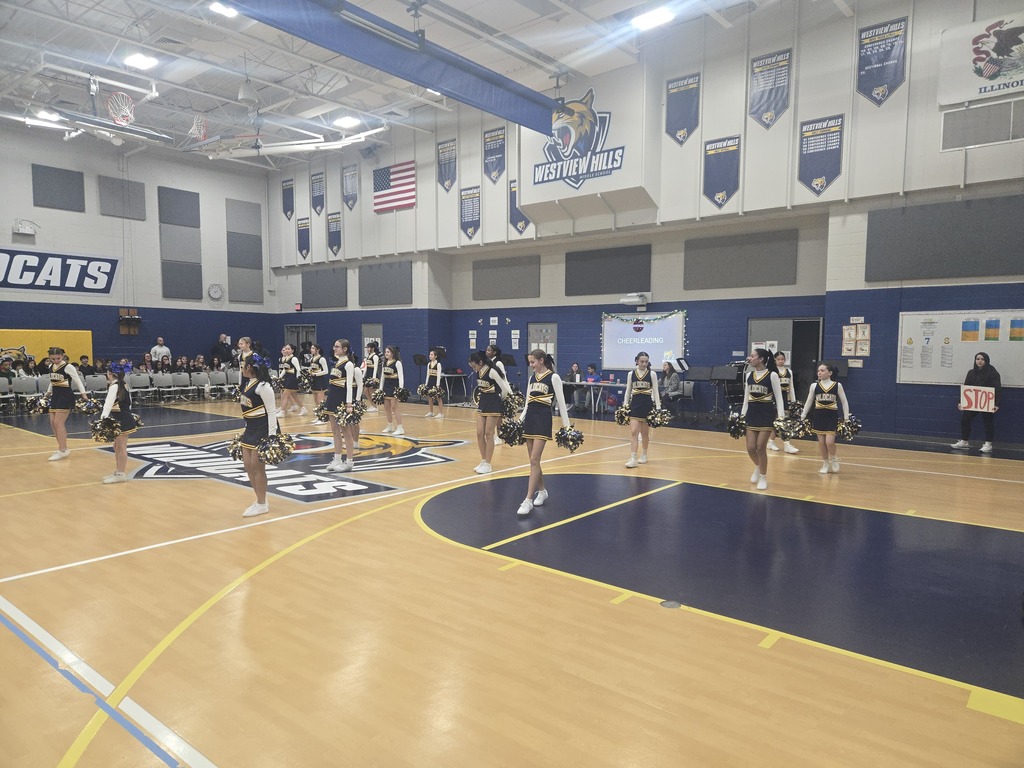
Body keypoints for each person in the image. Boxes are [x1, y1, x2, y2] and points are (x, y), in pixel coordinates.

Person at [515, 349, 571, 517]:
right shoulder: (532, 378)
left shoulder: (553, 377)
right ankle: (542, 491)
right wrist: (519, 421)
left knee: (533, 460)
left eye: (532, 362)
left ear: (541, 360)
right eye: (530, 362)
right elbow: (527, 403)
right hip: (530, 419)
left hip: (543, 420)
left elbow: (561, 404)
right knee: (534, 460)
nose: (530, 365)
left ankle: (528, 500)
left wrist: (567, 427)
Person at [238, 352, 279, 518]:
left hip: (262, 429)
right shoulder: (247, 384)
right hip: (250, 429)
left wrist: (271, 437)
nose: (241, 368)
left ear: (249, 367)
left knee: (257, 466)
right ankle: (260, 500)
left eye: (242, 366)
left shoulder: (264, 386)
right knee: (248, 465)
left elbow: (271, 412)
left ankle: (262, 504)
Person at [740, 348, 785, 491]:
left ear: (761, 359)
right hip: (752, 414)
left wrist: (781, 417)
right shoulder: (749, 375)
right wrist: (742, 415)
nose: (749, 358)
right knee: (750, 448)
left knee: (760, 447)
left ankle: (764, 477)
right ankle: (758, 467)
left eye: (752, 356)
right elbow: (746, 398)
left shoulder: (772, 375)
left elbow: (779, 397)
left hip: (766, 414)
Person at [801, 363, 850, 474]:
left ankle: (833, 458)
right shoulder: (814, 386)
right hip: (819, 415)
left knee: (829, 442)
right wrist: (803, 415)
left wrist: (846, 418)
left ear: (830, 373)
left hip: (831, 415)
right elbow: (809, 401)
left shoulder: (837, 385)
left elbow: (844, 402)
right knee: (821, 443)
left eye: (822, 370)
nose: (819, 372)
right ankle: (825, 463)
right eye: (819, 370)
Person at [468, 350, 512, 474]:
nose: (474, 369)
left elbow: (504, 388)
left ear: (481, 362)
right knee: (479, 433)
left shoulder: (492, 371)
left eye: (475, 366)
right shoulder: (479, 372)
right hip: (483, 402)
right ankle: (483, 460)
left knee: (489, 433)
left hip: (493, 403)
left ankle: (488, 463)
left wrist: (502, 402)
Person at [44, 346, 88, 461]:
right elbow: (52, 381)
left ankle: (63, 449)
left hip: (65, 396)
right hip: (55, 396)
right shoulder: (51, 366)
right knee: (53, 423)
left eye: (58, 358)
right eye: (53, 359)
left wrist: (83, 394)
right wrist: (48, 392)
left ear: (62, 356)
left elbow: (78, 380)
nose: (56, 361)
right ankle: (61, 448)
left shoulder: (68, 367)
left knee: (59, 423)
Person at [324, 339, 362, 473]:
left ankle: (350, 461)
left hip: (342, 400)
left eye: (337, 347)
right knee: (334, 431)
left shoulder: (349, 364)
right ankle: (337, 458)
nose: (334, 348)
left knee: (346, 432)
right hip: (332, 399)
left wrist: (349, 404)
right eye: (334, 346)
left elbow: (350, 387)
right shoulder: (336, 362)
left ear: (345, 349)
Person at [951, 352, 1001, 453]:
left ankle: (988, 444)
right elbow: (966, 388)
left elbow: (998, 389)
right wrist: (961, 402)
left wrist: (997, 404)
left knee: (988, 422)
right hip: (973, 403)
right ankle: (964, 442)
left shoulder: (993, 373)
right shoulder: (971, 373)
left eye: (982, 359)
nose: (979, 361)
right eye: (977, 359)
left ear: (986, 360)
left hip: (987, 402)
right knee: (965, 419)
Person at [99, 361, 138, 484]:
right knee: (116, 446)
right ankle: (118, 471)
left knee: (121, 447)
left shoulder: (114, 386)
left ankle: (121, 474)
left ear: (109, 374)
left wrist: (102, 419)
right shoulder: (123, 384)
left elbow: (108, 404)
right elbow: (130, 402)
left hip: (122, 419)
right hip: (121, 417)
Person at [623, 352, 661, 468]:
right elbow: (628, 390)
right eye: (642, 361)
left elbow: (655, 391)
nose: (644, 364)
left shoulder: (652, 374)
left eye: (646, 362)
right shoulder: (631, 374)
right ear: (637, 361)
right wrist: (625, 405)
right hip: (634, 403)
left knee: (645, 433)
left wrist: (658, 407)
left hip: (647, 404)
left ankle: (644, 454)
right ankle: (633, 458)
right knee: (634, 431)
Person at [767, 352, 800, 454]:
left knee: (783, 420)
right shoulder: (772, 372)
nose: (781, 361)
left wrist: (794, 401)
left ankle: (772, 442)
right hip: (775, 397)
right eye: (778, 359)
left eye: (782, 359)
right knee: (778, 420)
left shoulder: (789, 371)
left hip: (785, 397)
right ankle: (785, 444)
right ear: (775, 360)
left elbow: (791, 387)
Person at [381, 345, 405, 435]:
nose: (386, 353)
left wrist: (400, 389)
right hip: (386, 386)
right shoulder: (385, 362)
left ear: (392, 353)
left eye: (388, 352)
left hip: (394, 386)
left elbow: (401, 376)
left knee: (394, 407)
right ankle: (390, 425)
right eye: (385, 352)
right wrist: (380, 388)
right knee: (386, 407)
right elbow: (382, 376)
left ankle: (400, 427)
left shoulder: (397, 363)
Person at [277, 343, 307, 417]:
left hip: (292, 378)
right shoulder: (286, 358)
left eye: (288, 349)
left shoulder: (294, 358)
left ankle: (282, 412)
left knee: (285, 395)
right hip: (287, 377)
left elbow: (298, 369)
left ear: (292, 350)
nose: (286, 350)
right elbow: (285, 369)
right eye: (286, 349)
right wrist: (280, 377)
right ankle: (303, 409)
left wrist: (299, 379)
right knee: (294, 395)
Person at [486, 344, 507, 445]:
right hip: (492, 392)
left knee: (498, 417)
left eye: (489, 350)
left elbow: (503, 378)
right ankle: (497, 436)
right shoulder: (489, 362)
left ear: (494, 352)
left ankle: (499, 436)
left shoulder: (498, 363)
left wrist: (506, 392)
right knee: (494, 416)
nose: (487, 352)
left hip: (499, 391)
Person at [308, 342, 330, 424]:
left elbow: (326, 371)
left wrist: (316, 374)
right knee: (315, 400)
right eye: (311, 348)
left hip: (320, 380)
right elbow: (312, 369)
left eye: (313, 348)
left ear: (318, 350)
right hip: (314, 381)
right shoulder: (311, 358)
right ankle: (319, 416)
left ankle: (324, 418)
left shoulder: (321, 359)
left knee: (320, 400)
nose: (312, 350)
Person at [424, 347, 445, 419]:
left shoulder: (438, 364)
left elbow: (439, 375)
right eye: (430, 354)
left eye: (432, 354)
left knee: (438, 397)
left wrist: (437, 385)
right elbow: (427, 374)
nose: (430, 356)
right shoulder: (429, 364)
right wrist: (426, 384)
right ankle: (431, 412)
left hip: (436, 382)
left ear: (435, 356)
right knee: (429, 397)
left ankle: (441, 413)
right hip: (430, 381)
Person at [363, 341, 382, 413]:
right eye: (367, 347)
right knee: (365, 391)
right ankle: (372, 404)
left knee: (371, 392)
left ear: (373, 348)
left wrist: (373, 378)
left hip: (372, 376)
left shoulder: (375, 356)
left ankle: (375, 406)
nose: (368, 349)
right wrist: (363, 375)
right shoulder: (367, 356)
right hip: (367, 375)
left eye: (369, 347)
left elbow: (376, 368)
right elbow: (365, 367)